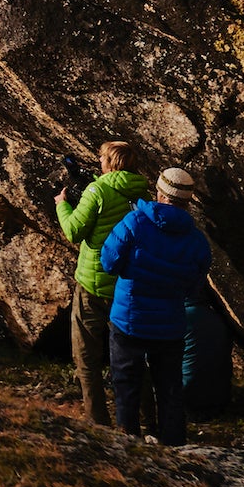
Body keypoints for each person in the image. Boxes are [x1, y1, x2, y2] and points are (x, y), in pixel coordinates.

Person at [99, 165, 214, 445]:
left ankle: (128, 445)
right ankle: (175, 447)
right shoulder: (197, 240)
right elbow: (195, 286)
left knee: (127, 388)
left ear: (159, 193)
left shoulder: (134, 222)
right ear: (187, 202)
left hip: (129, 319)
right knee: (170, 390)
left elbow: (109, 262)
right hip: (170, 325)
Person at [55, 141, 151, 425]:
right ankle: (147, 420)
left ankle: (97, 420)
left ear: (110, 162)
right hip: (126, 285)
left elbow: (73, 231)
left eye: (101, 157)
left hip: (92, 283)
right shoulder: (141, 192)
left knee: (86, 355)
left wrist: (63, 206)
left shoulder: (97, 190)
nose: (98, 160)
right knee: (132, 357)